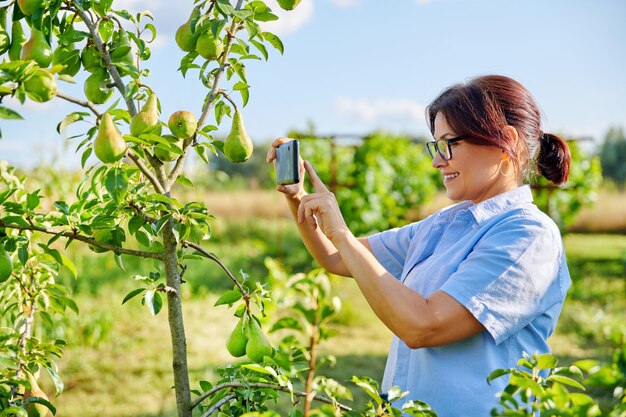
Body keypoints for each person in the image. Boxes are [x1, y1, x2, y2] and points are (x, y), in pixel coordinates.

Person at [266, 74, 572, 416]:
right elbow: (337, 257)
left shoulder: (528, 236)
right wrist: (298, 197)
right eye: (435, 145)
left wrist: (340, 232)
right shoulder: (443, 225)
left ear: (506, 144)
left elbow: (424, 324)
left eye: (449, 144)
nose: (437, 161)